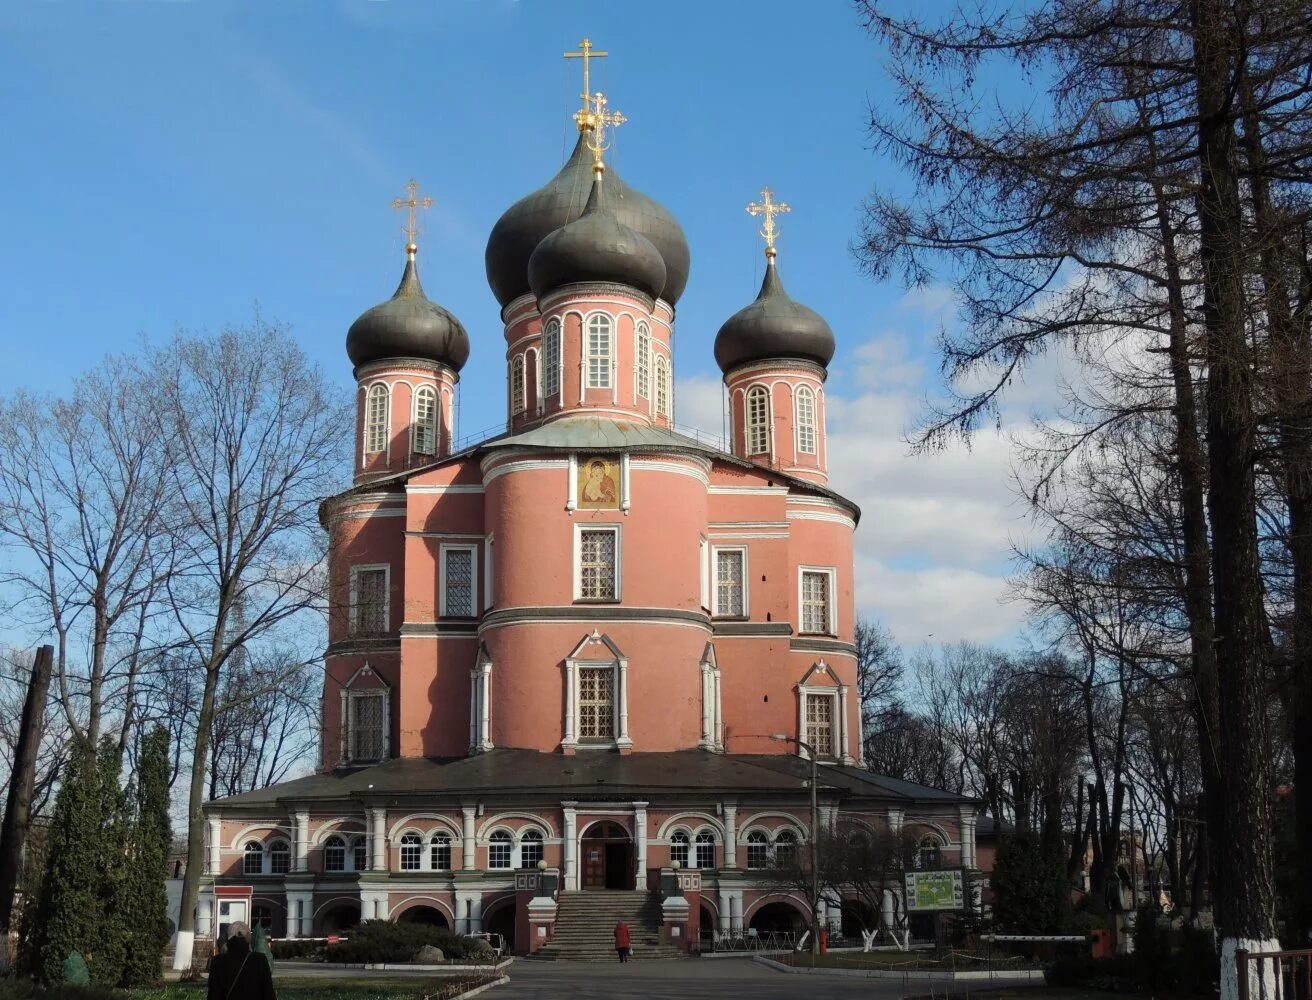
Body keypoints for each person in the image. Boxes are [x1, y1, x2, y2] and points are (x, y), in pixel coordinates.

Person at [207, 921, 277, 1000]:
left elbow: (213, 995)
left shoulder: (217, 961)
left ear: (228, 938)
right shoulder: (259, 960)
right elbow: (268, 994)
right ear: (247, 937)